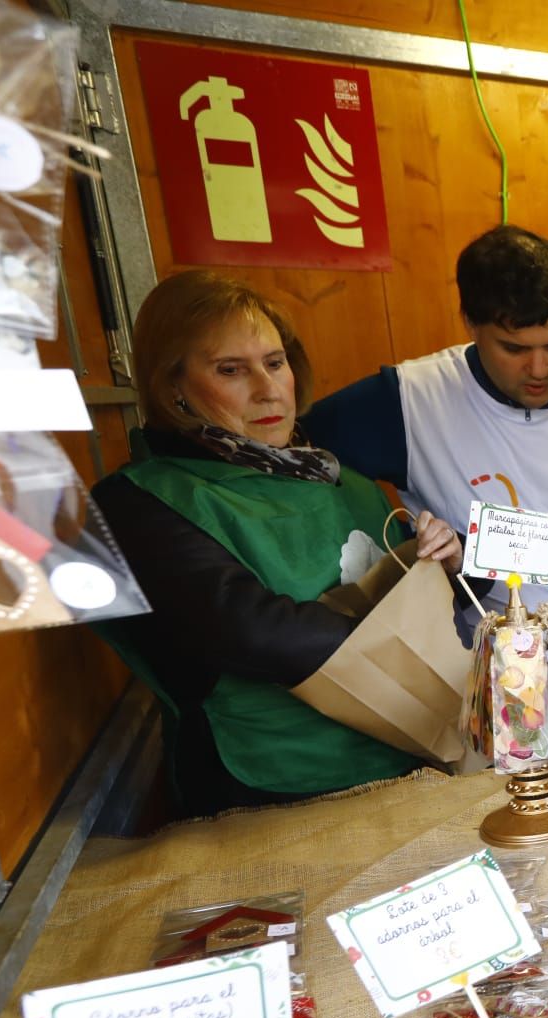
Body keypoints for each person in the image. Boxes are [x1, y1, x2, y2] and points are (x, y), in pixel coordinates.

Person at [93, 271, 462, 816]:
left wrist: (442, 564)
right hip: (272, 791)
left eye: (274, 362)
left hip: (412, 762)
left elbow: (406, 593)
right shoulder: (138, 502)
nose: (267, 389)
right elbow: (252, 630)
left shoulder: (345, 479)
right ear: (173, 385)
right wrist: (406, 642)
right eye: (230, 370)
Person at [301, 225, 548, 744]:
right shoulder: (410, 402)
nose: (539, 368)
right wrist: (405, 546)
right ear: (471, 325)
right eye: (513, 348)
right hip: (491, 676)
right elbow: (293, 456)